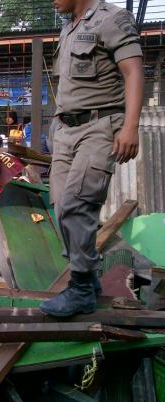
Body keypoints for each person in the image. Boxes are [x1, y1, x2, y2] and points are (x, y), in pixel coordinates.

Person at [39, 0, 143, 317]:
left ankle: (81, 289)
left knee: (76, 204)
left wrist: (130, 126)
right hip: (66, 131)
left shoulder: (112, 19)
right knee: (60, 207)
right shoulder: (69, 27)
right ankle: (89, 279)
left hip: (100, 127)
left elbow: (133, 69)